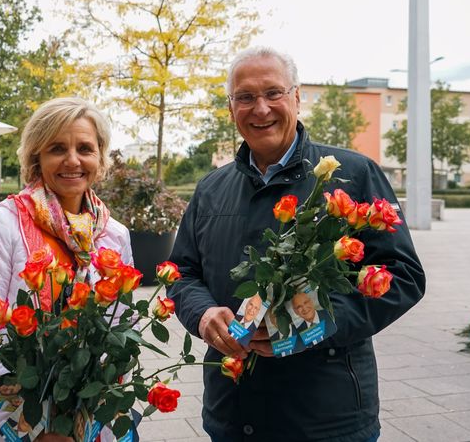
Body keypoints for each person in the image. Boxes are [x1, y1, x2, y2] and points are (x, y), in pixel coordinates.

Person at [167, 47, 425, 441]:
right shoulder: (211, 189)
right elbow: (182, 273)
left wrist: (305, 323)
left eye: (273, 93)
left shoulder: (352, 176)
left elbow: (402, 276)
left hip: (326, 417)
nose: (261, 109)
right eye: (246, 97)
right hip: (233, 413)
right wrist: (203, 315)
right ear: (231, 106)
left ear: (296, 97)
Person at [0, 98, 133, 442]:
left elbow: (121, 330)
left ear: (99, 158)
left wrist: (91, 410)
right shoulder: (6, 224)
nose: (73, 160)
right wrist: (31, 427)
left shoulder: (114, 235)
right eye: (57, 148)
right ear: (36, 159)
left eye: (85, 148)